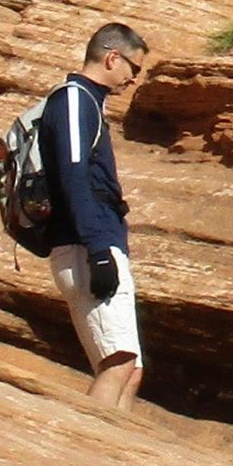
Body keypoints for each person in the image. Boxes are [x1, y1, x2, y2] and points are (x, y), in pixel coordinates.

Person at [42, 22, 150, 408]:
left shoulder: (88, 102)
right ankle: (81, 452)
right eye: (133, 69)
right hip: (85, 246)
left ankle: (109, 455)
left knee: (129, 367)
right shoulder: (74, 99)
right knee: (118, 363)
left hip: (97, 241)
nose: (132, 79)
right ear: (112, 57)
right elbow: (73, 178)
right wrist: (99, 249)